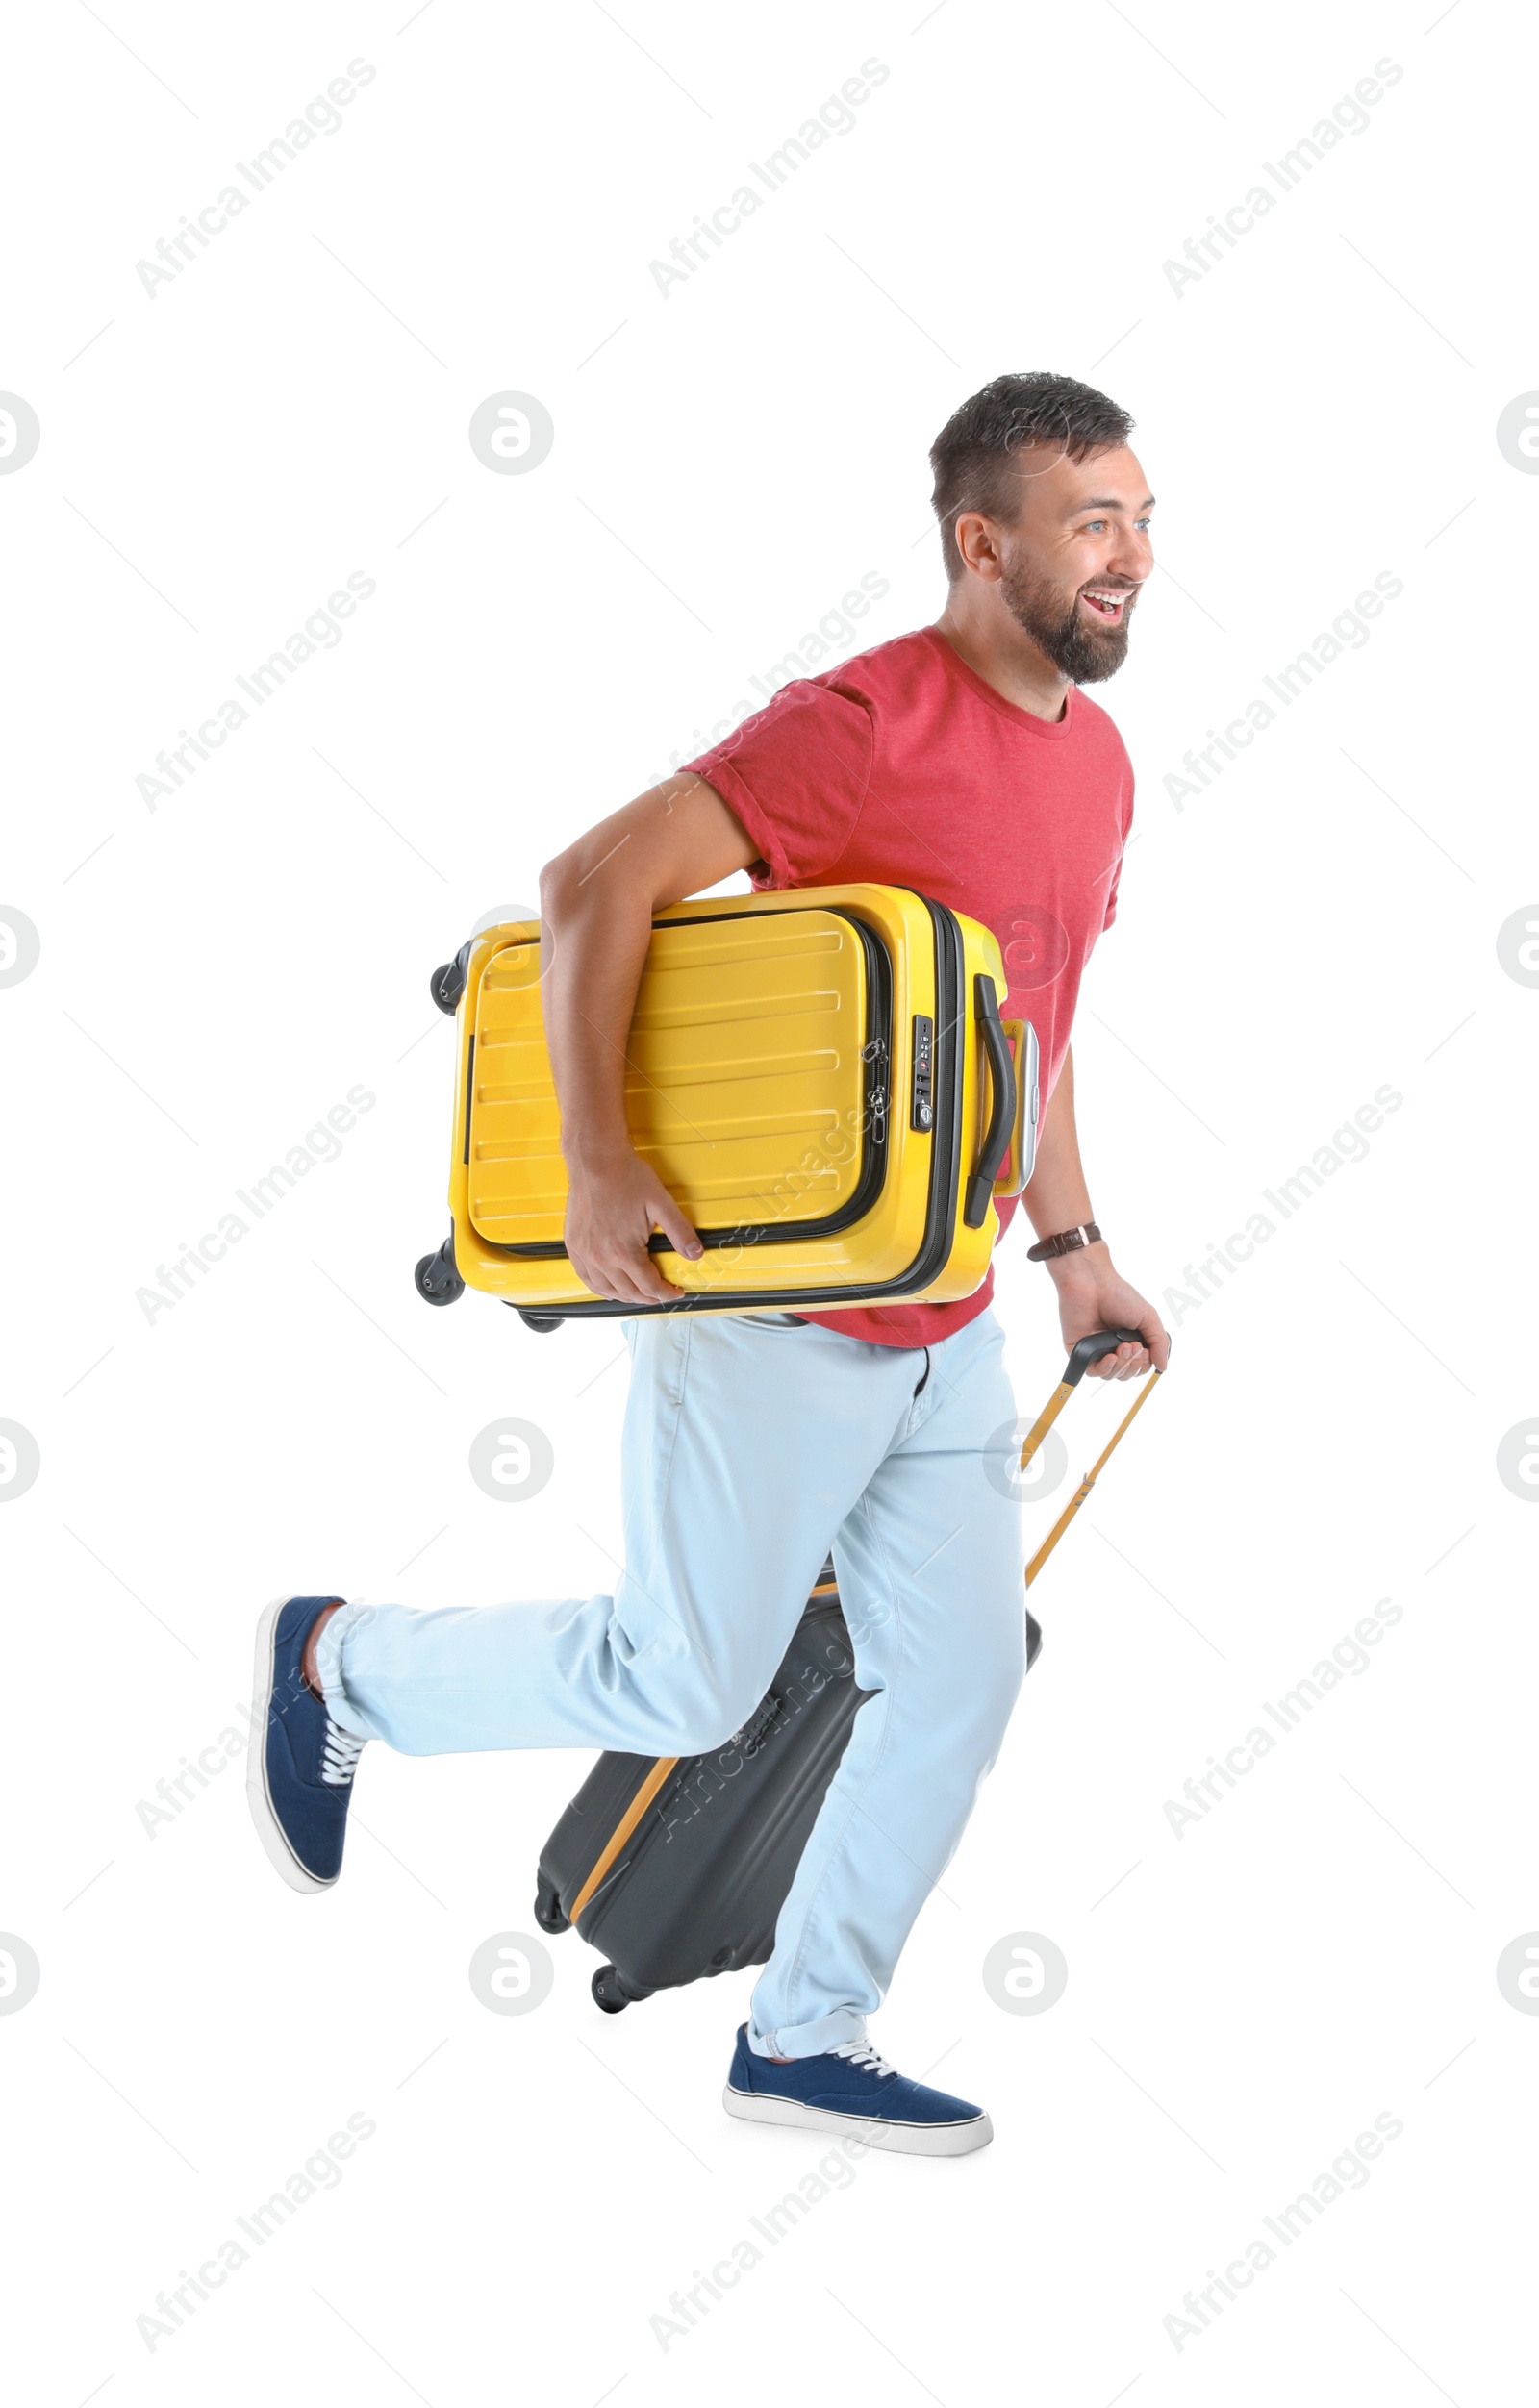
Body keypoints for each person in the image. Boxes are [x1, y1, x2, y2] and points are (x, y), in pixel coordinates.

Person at [248, 370, 1171, 2157]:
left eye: (1141, 518)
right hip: (771, 1321)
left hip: (949, 1318)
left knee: (965, 1681)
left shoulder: (1101, 763)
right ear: (984, 545)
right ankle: (337, 1666)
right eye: (1092, 525)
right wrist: (604, 1162)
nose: (1131, 558)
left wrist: (1072, 1253)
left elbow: (1031, 1032)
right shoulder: (859, 727)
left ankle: (804, 2033)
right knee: (685, 1680)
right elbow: (596, 879)